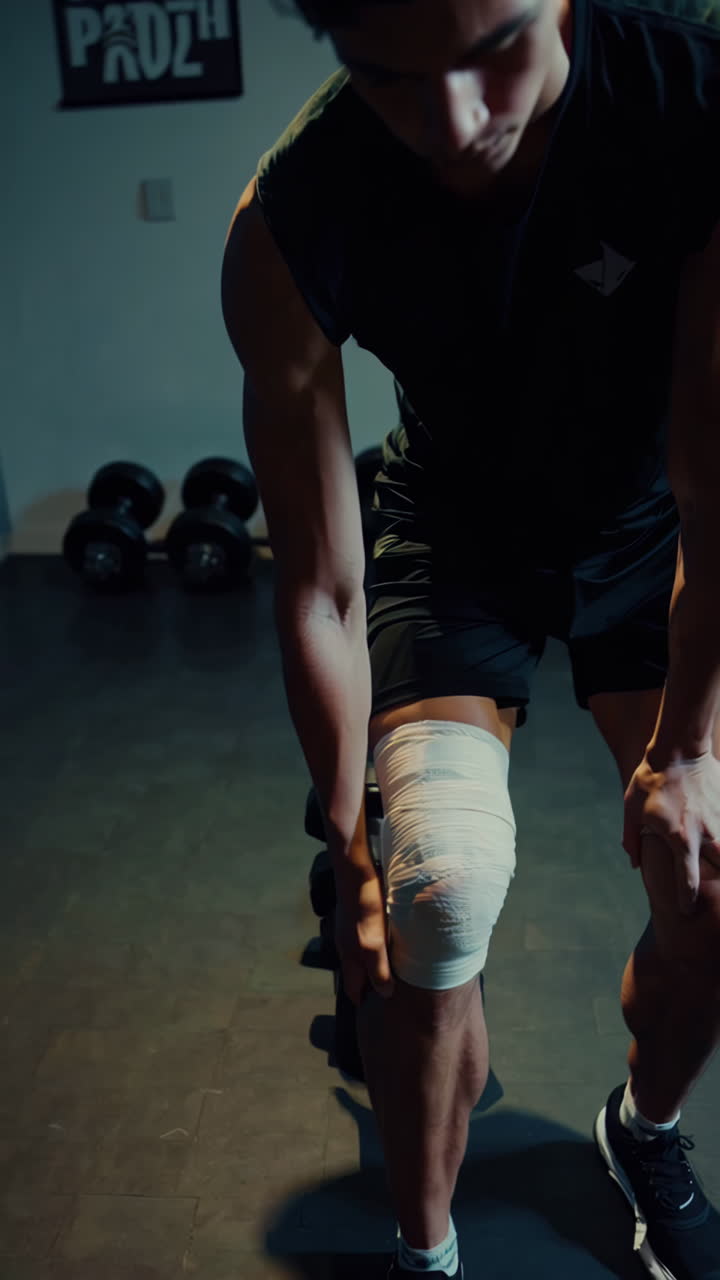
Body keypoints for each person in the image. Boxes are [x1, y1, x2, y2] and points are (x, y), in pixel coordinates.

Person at [221, 0, 720, 1275]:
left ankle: (644, 1129)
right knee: (435, 888)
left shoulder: (690, 104)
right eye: (392, 78)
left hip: (649, 530)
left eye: (495, 50)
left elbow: (716, 495)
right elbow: (321, 587)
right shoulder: (295, 220)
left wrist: (692, 751)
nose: (456, 125)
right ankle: (427, 1249)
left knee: (716, 882)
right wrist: (352, 854)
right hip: (455, 540)